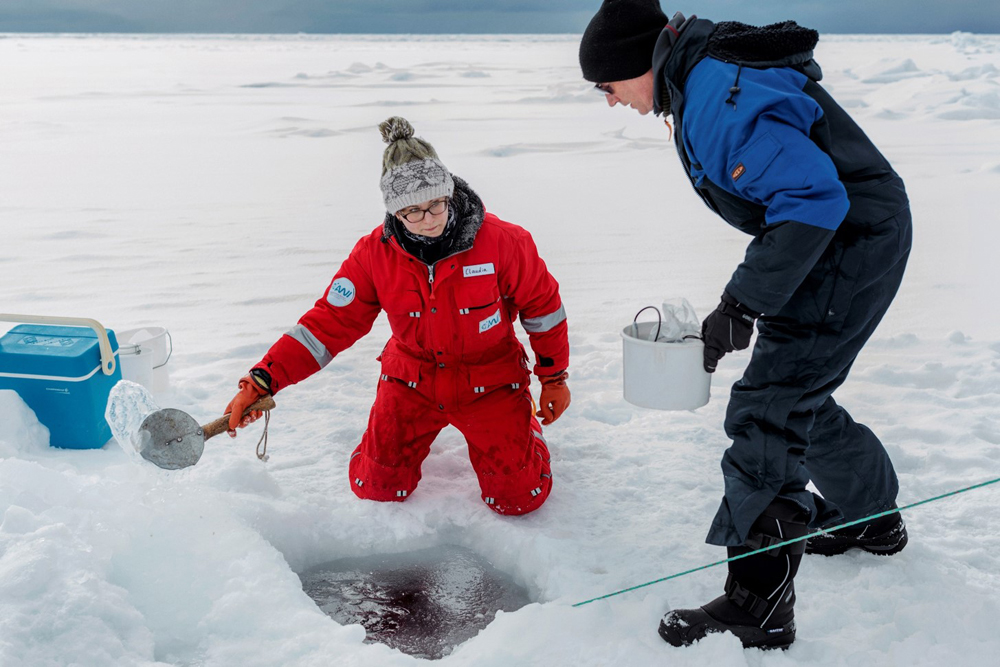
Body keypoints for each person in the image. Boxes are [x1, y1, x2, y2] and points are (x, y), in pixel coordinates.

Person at [579, 0, 912, 650]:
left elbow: (815, 197)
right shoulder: (699, 79)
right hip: (834, 235)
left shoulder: (714, 96)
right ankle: (870, 519)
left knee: (767, 410)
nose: (610, 101)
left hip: (847, 238)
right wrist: (747, 301)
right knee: (795, 391)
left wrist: (740, 305)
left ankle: (756, 605)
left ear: (634, 62)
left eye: (607, 86)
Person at [225, 117, 571, 516]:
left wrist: (554, 377)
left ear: (450, 193)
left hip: (490, 379)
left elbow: (544, 312)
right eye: (412, 211)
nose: (428, 219)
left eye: (436, 204)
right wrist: (263, 380)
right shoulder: (373, 253)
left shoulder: (505, 242)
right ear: (394, 211)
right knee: (375, 487)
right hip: (412, 379)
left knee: (517, 498)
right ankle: (382, 445)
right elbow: (326, 325)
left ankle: (523, 432)